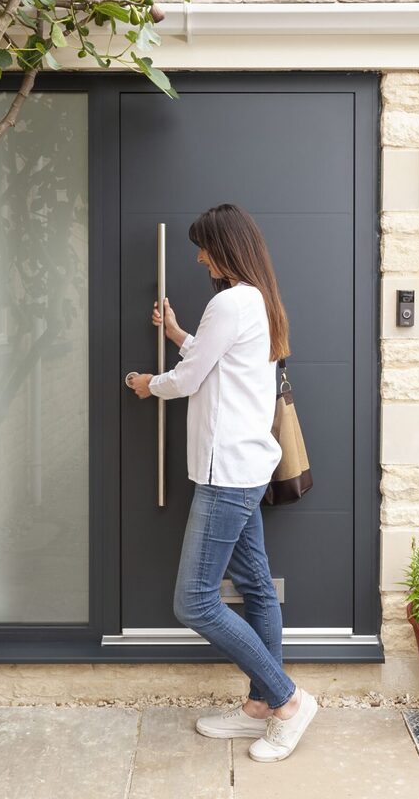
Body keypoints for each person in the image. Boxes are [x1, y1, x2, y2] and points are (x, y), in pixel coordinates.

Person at [125, 203, 318, 763]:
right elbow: (217, 363)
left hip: (226, 474)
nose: (198, 256)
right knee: (257, 588)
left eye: (204, 245)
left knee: (194, 602)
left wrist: (146, 383)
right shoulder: (256, 300)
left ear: (225, 247)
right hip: (244, 466)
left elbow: (188, 380)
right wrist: (180, 331)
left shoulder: (230, 302)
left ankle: (286, 701)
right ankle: (259, 706)